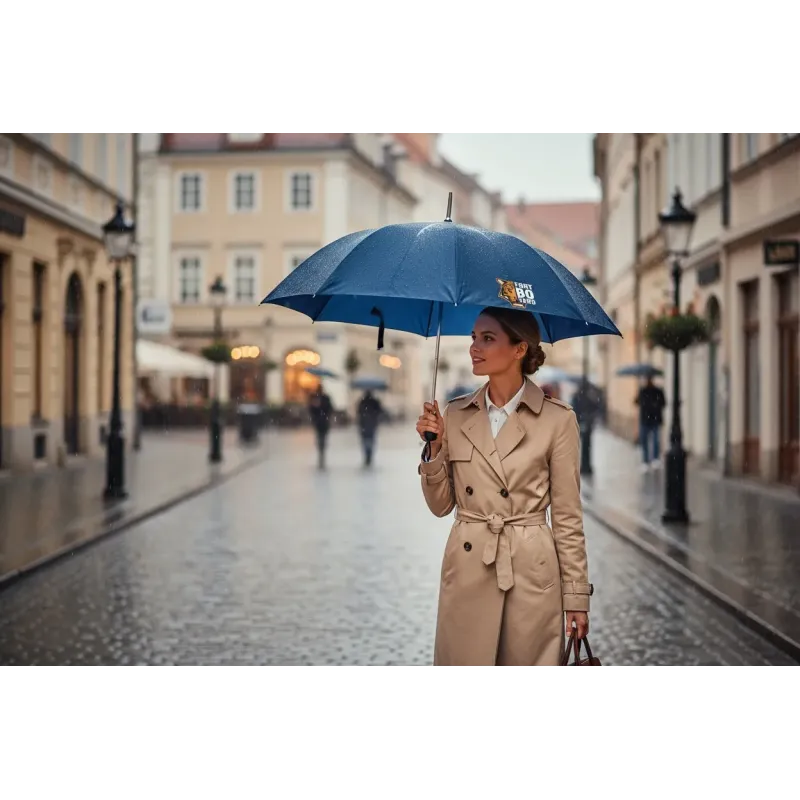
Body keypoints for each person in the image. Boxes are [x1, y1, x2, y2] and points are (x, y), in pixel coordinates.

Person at [416, 306, 593, 668]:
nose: (474, 347)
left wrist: (575, 598)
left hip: (530, 571)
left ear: (519, 349)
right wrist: (433, 448)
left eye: (488, 338)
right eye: (473, 338)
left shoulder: (558, 420)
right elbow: (440, 506)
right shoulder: (455, 414)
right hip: (468, 567)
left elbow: (567, 516)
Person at [635, 375, 666, 472]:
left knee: (655, 440)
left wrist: (654, 405)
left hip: (654, 419)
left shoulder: (658, 391)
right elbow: (636, 402)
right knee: (645, 441)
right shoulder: (642, 391)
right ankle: (645, 461)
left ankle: (655, 459)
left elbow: (663, 402)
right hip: (645, 420)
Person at [307, 384, 333, 469]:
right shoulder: (315, 398)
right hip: (320, 422)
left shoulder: (325, 398)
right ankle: (321, 450)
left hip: (322, 421)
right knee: (320, 437)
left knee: (322, 437)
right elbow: (311, 409)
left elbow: (329, 409)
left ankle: (322, 450)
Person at [357, 390, 384, 467]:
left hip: (364, 425)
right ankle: (369, 455)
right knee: (371, 441)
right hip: (372, 424)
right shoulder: (374, 402)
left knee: (365, 441)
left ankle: (367, 456)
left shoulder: (362, 402)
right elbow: (380, 411)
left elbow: (359, 412)